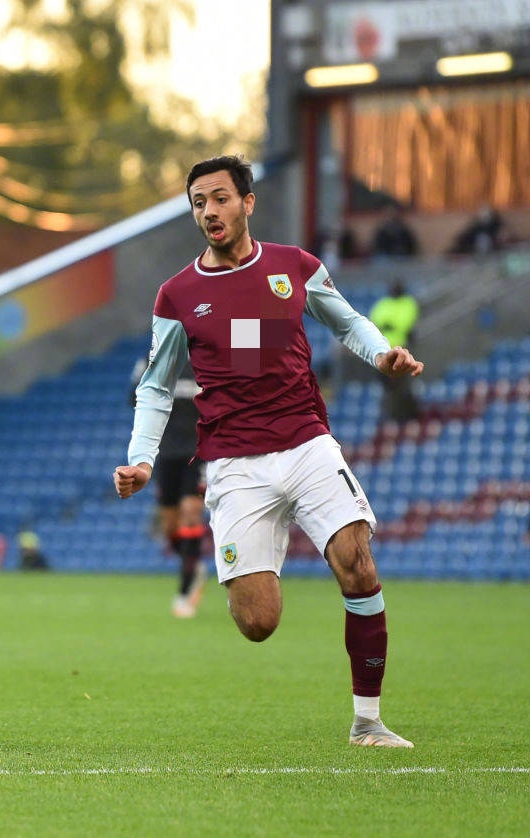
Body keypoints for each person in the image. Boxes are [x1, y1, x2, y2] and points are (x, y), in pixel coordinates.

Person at [114, 155, 424, 748]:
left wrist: (382, 353)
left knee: (357, 562)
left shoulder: (293, 267)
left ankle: (368, 722)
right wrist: (142, 459)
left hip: (306, 440)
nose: (209, 211)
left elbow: (349, 323)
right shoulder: (178, 295)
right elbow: (155, 386)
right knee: (258, 622)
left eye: (220, 198)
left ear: (248, 203)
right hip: (234, 462)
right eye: (198, 202)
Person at [129, 352, 207, 617]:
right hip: (167, 451)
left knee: (190, 512)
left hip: (199, 451)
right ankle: (193, 565)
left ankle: (185, 592)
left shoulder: (208, 357)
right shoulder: (154, 359)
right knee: (169, 525)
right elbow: (135, 398)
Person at [370, 281, 421, 422]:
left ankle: (404, 416)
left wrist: (389, 325)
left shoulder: (408, 303)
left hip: (401, 350)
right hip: (382, 351)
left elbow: (404, 323)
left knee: (402, 385)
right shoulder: (383, 303)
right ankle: (390, 416)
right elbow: (375, 320)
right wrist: (388, 325)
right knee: (387, 385)